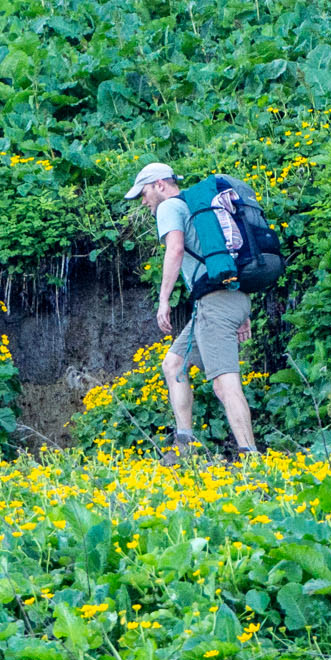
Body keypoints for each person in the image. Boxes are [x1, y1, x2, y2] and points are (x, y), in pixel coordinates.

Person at [124, 162, 259, 462]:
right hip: (224, 299)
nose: (143, 201)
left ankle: (251, 459)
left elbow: (174, 249)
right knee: (174, 364)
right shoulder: (197, 208)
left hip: (215, 305)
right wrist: (241, 310)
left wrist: (163, 300)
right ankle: (184, 446)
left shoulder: (170, 207)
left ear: (159, 184)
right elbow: (224, 257)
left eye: (143, 194)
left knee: (225, 383)